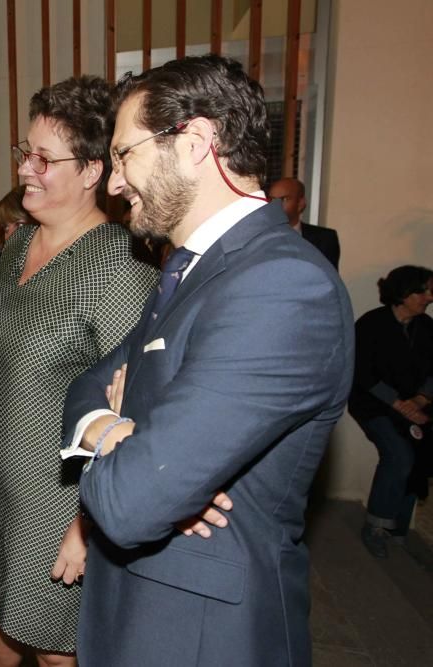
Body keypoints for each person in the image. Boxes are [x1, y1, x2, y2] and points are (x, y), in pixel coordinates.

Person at [61, 55, 354, 666]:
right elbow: (86, 385)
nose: (114, 183)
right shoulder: (191, 268)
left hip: (201, 636)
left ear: (195, 142)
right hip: (143, 609)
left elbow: (130, 502)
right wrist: (113, 429)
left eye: (124, 155)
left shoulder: (281, 284)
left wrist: (145, 466)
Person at [0, 75, 157, 666]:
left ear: (90, 171)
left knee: (55, 643)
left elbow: (133, 409)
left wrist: (87, 525)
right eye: (23, 153)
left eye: (42, 158)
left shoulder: (121, 266)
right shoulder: (17, 244)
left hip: (60, 496)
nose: (25, 169)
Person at [350, 265, 433, 558]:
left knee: (421, 453)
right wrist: (402, 406)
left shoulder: (427, 328)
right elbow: (362, 374)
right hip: (373, 405)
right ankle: (375, 526)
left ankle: (398, 524)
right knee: (399, 456)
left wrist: (421, 401)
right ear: (404, 292)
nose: (429, 297)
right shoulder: (371, 324)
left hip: (416, 407)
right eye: (423, 291)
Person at [268, 177, 340, 269]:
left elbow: (329, 279)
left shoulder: (325, 239)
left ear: (300, 203)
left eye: (284, 199)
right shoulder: (258, 237)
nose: (276, 205)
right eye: (272, 200)